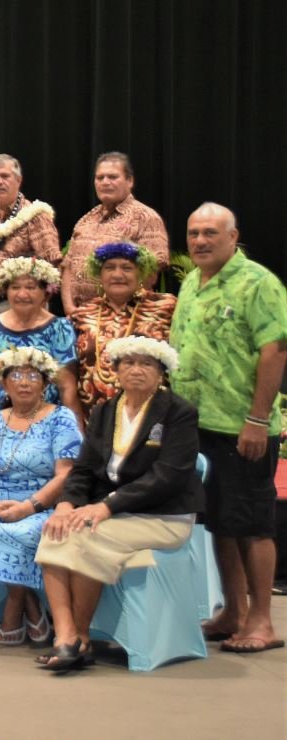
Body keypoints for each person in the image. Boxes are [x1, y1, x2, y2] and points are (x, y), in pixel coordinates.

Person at [34, 336, 204, 670]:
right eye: (128, 363)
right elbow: (83, 468)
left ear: (161, 372)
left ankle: (80, 637)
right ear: (116, 371)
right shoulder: (105, 410)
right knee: (55, 528)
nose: (136, 370)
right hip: (113, 512)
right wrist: (67, 504)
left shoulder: (178, 412)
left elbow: (167, 476)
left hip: (163, 516)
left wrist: (107, 506)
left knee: (87, 534)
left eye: (146, 364)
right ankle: (67, 637)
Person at [170, 203, 287, 655]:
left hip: (244, 426)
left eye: (210, 233)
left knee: (254, 524)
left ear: (233, 237)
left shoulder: (259, 283)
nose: (200, 241)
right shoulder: (190, 283)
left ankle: (261, 620)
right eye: (194, 232)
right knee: (221, 521)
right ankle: (232, 612)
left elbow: (274, 351)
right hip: (198, 424)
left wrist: (258, 419)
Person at [0, 348, 82, 645]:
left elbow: (66, 474)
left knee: (29, 532)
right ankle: (30, 607)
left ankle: (12, 611)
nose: (24, 382)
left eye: (33, 375)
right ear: (4, 384)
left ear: (45, 383)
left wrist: (29, 507)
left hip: (44, 503)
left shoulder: (61, 418)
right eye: (16, 375)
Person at [0, 257, 83, 425]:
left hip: (45, 430)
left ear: (46, 293)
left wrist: (75, 436)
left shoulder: (60, 329)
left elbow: (67, 388)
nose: (22, 294)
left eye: (31, 287)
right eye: (15, 287)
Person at [69, 242, 177, 409]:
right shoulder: (82, 313)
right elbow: (69, 373)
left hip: (152, 416)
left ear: (140, 273)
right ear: (100, 274)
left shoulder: (166, 306)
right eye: (110, 268)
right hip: (94, 418)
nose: (118, 274)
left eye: (127, 268)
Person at [61, 152, 169, 315]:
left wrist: (116, 312)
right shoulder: (86, 219)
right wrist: (70, 310)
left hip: (122, 317)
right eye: (100, 177)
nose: (105, 182)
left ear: (130, 181)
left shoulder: (145, 217)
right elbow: (67, 268)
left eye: (112, 177)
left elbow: (152, 272)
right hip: (78, 317)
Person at [0, 154, 60, 317]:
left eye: (5, 176)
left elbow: (53, 264)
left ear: (18, 180)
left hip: (21, 307)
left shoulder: (36, 216)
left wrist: (41, 305)